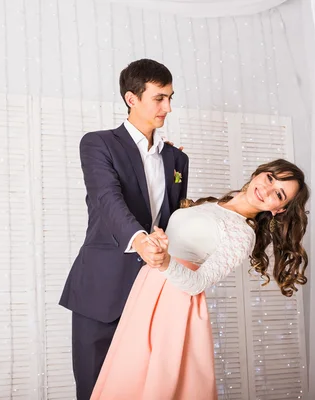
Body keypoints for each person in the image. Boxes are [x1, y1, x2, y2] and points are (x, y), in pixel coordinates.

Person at [91, 159, 309, 400]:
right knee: (129, 374)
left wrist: (164, 261)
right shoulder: (216, 205)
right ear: (259, 172)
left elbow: (197, 283)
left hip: (173, 302)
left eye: (278, 194)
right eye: (270, 178)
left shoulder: (242, 234)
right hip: (150, 289)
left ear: (279, 209)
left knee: (154, 383)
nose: (266, 189)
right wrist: (164, 160)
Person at [59, 59, 189, 400]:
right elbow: (107, 199)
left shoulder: (178, 160)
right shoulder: (98, 144)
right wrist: (141, 240)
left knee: (146, 389)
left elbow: (171, 219)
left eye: (171, 98)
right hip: (100, 290)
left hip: (154, 292)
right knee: (94, 390)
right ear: (132, 98)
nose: (168, 107)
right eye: (159, 98)